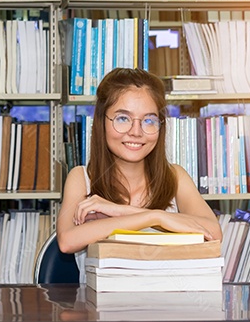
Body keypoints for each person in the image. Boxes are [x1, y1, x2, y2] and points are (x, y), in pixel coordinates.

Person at [56, 68, 221, 258]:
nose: (136, 131)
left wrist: (122, 211)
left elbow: (214, 233)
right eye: (123, 118)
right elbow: (67, 241)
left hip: (167, 287)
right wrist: (152, 217)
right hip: (104, 288)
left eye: (149, 120)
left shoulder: (175, 176)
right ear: (102, 122)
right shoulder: (81, 177)